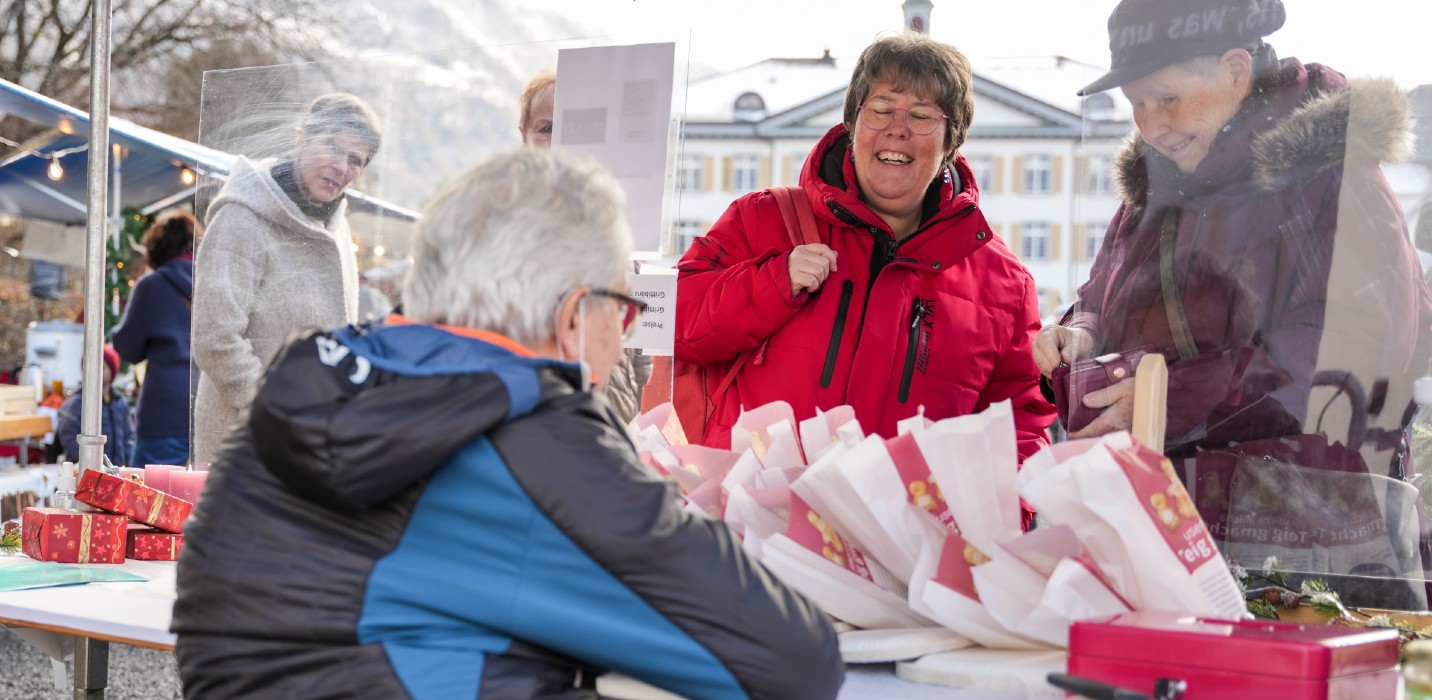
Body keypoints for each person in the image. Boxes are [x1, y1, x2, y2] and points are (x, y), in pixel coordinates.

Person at [172, 149, 844, 700]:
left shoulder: (316, 381)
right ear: (574, 316)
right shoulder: (533, 433)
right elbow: (793, 663)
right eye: (625, 308)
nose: (628, 335)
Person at [1034, 0, 1432, 596]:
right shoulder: (1153, 191)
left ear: (1236, 71)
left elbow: (1348, 361)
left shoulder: (1332, 175)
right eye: (1137, 104)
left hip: (1312, 556)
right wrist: (1082, 333)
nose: (1151, 124)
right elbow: (1104, 293)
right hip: (1176, 531)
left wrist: (1172, 395)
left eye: (1166, 97)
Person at [675, 33, 1054, 458]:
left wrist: (997, 518)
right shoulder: (762, 220)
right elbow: (672, 323)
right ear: (853, 126)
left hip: (909, 523)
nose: (898, 129)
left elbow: (1022, 422)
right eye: (880, 109)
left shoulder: (1004, 282)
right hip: (753, 517)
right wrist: (772, 283)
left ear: (951, 142)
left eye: (922, 116)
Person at [191, 93, 381, 463]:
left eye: (355, 160)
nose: (341, 166)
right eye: (333, 147)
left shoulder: (337, 228)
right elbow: (215, 338)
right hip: (248, 449)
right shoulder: (242, 216)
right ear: (300, 139)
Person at [520, 70, 652, 423]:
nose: (560, 140)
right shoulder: (503, 222)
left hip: (610, 422)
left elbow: (641, 341)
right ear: (525, 137)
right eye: (547, 129)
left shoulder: (624, 225)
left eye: (571, 128)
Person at [111, 210, 198, 466]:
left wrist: (116, 333)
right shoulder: (213, 282)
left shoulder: (151, 286)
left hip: (164, 413)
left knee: (149, 500)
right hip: (207, 410)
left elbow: (128, 348)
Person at [56, 345, 134, 466]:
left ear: (112, 371)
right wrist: (91, 464)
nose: (96, 372)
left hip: (117, 473)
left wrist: (127, 463)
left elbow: (129, 438)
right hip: (88, 474)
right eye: (91, 367)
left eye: (102, 367)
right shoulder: (76, 404)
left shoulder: (120, 403)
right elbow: (69, 438)